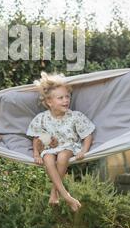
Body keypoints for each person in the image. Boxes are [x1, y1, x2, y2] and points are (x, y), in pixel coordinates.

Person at [26, 71, 95, 212]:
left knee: (63, 156)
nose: (66, 100)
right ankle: (65, 195)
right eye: (60, 98)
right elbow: (38, 139)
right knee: (48, 158)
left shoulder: (75, 116)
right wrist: (37, 154)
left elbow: (88, 135)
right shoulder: (43, 118)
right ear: (49, 102)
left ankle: (56, 193)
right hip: (50, 149)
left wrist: (84, 151)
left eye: (67, 97)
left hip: (69, 146)